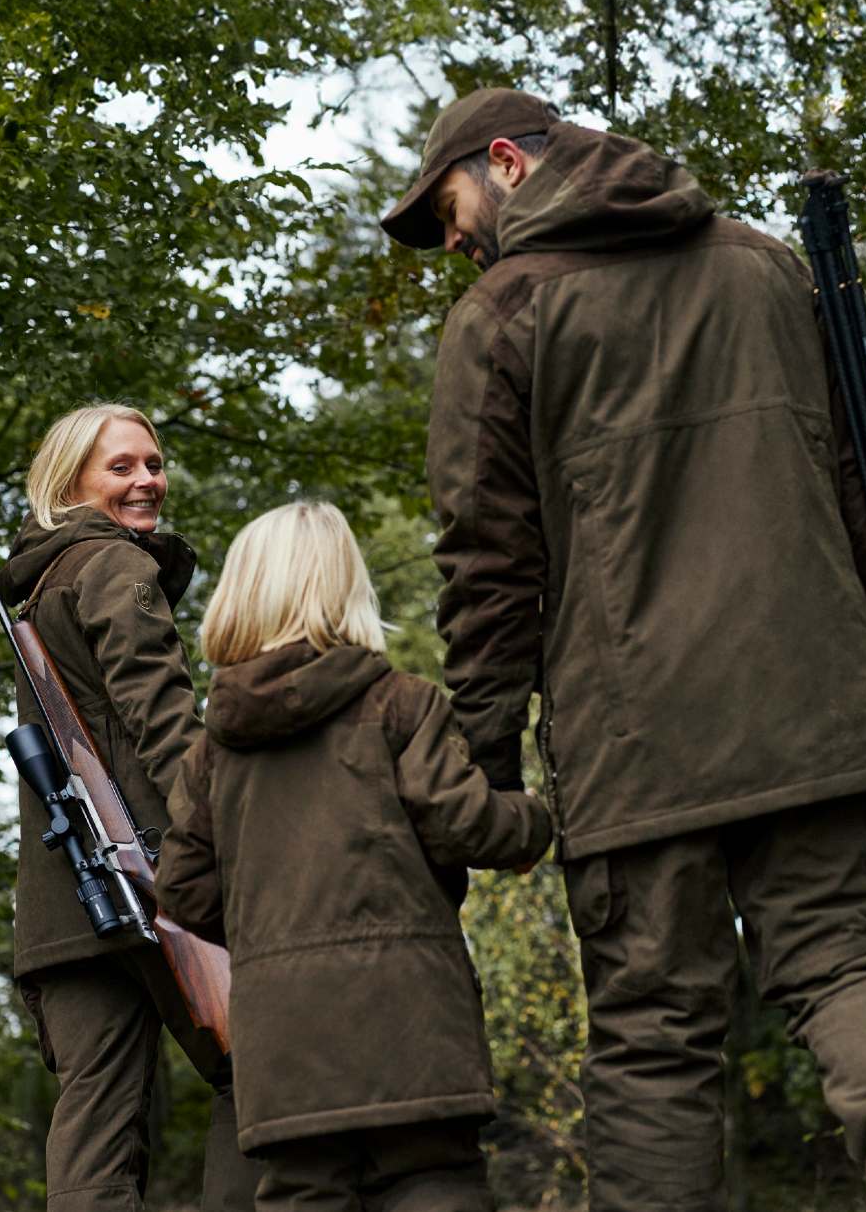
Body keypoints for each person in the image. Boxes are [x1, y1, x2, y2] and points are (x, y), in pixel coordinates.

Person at [380, 87, 866, 1212]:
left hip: (634, 743)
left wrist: (485, 768)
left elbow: (488, 568)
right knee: (850, 965)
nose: (453, 243)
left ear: (505, 162)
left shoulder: (502, 318)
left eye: (449, 212)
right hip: (818, 713)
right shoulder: (766, 267)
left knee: (654, 1035)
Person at [154, 500, 552, 1212]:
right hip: (413, 1026)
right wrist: (536, 821)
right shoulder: (400, 705)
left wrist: (267, 927)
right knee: (434, 1187)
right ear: (347, 589)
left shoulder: (213, 753)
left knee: (303, 1194)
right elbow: (466, 825)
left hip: (284, 1046)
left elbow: (182, 890)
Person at [0, 404, 259, 1212]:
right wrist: (225, 846)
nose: (147, 480)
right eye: (121, 467)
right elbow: (164, 719)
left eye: (153, 463)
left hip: (66, 907)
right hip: (154, 877)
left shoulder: (38, 588)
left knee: (94, 1133)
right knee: (259, 1077)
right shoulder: (112, 564)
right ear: (69, 484)